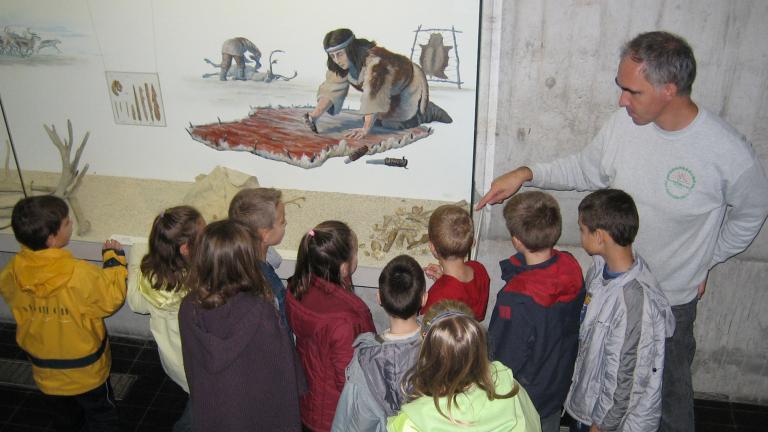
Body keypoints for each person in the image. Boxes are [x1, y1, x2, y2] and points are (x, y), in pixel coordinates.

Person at [476, 31, 768, 431]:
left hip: (670, 300)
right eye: (621, 88)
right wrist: (527, 173)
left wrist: (707, 259)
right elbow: (585, 168)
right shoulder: (624, 125)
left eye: (632, 92)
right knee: (603, 380)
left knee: (667, 399)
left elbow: (753, 213)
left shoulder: (727, 152)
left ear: (669, 89)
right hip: (608, 290)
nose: (621, 101)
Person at [0, 195, 127, 431]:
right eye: (67, 222)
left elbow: (12, 296)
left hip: (46, 374)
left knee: (66, 420)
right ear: (52, 238)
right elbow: (111, 299)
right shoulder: (79, 273)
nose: (71, 223)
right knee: (101, 416)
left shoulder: (11, 272)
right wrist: (114, 263)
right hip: (87, 373)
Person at [565, 189, 675, 431]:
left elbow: (627, 378)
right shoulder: (598, 271)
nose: (580, 235)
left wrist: (602, 425)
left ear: (600, 237)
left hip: (613, 422)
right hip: (590, 405)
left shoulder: (633, 302)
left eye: (582, 230)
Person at [179, 220, 303, 431]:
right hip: (256, 415)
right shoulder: (261, 309)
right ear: (247, 261)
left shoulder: (189, 307)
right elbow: (280, 370)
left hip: (215, 414)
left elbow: (194, 366)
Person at [488, 191, 584, 432]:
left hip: (523, 399)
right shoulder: (571, 266)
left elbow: (504, 359)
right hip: (555, 386)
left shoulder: (516, 299)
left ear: (517, 240)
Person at [387, 300, 541, 432]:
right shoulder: (507, 384)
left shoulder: (413, 421)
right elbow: (532, 424)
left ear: (425, 340)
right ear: (476, 341)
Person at [286, 220, 376, 432]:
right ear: (344, 267)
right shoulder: (346, 319)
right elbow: (349, 380)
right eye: (355, 252)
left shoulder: (298, 287)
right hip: (335, 416)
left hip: (309, 404)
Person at [127, 206, 205, 431]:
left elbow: (136, 303)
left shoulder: (149, 276)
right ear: (185, 249)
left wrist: (138, 253)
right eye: (203, 232)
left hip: (173, 362)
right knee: (199, 410)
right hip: (198, 365)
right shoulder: (198, 284)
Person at [332, 254, 427, 432]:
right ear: (424, 298)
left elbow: (358, 422)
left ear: (379, 298)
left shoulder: (365, 360)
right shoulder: (441, 346)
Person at [303, 28, 452, 139]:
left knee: (393, 125)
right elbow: (332, 89)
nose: (337, 60)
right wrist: (313, 117)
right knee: (376, 120)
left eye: (340, 54)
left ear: (351, 49)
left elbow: (373, 94)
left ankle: (427, 111)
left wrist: (365, 129)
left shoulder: (374, 63)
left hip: (407, 84)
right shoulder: (341, 65)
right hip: (387, 90)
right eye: (332, 55)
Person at [228, 187, 289, 328]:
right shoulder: (264, 285)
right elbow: (280, 326)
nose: (286, 223)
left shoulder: (239, 259)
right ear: (265, 234)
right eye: (282, 221)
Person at [421, 204, 490, 321]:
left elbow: (426, 330)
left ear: (432, 248)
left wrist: (421, 307)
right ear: (472, 243)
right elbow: (475, 310)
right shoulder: (479, 269)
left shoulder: (437, 297)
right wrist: (443, 279)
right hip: (470, 326)